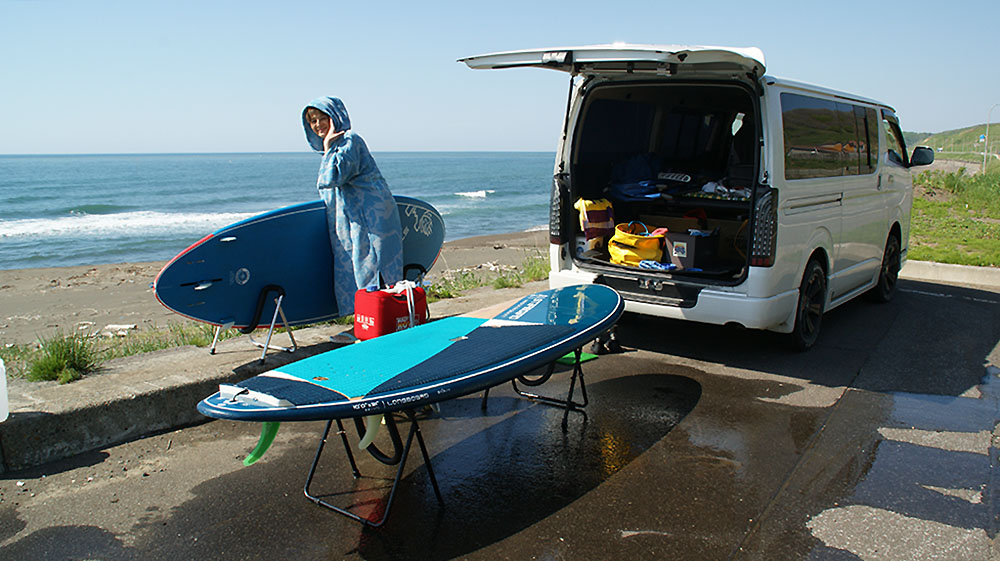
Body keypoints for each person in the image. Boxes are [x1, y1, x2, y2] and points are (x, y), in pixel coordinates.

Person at [302, 97, 403, 317]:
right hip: (354, 217)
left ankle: (379, 322)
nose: (318, 125)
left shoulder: (350, 141)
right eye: (313, 121)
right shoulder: (338, 146)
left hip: (370, 216)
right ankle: (366, 322)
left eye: (323, 118)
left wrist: (328, 147)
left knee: (372, 268)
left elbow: (332, 177)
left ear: (335, 117)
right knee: (356, 268)